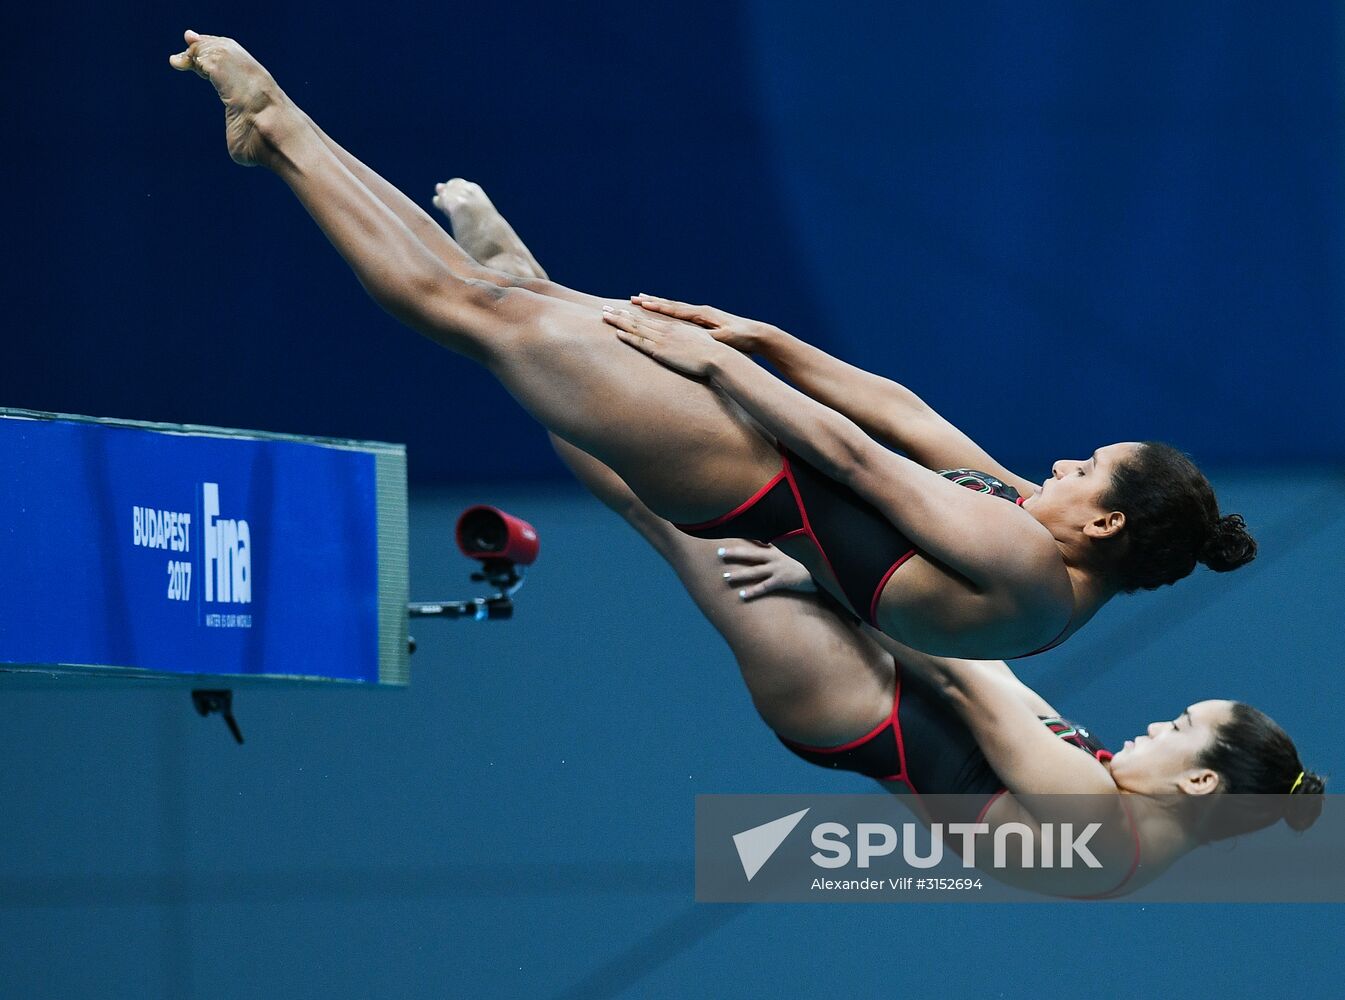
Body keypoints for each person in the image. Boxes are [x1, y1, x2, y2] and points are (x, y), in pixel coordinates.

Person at [169, 31, 1254, 662]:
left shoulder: (1029, 576)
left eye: (1082, 469)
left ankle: (282, 129)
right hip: (756, 459)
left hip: (742, 470)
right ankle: (279, 141)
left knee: (472, 314)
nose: (1058, 467)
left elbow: (859, 461)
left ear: (1103, 519)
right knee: (492, 302)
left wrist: (723, 366)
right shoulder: (1034, 533)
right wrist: (763, 335)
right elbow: (907, 416)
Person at [434, 177, 1323, 898]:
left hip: (857, 701)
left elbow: (966, 681)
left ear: (1198, 781)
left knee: (662, 506)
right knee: (663, 499)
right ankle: (520, 302)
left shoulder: (1100, 832)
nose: (1154, 724)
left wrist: (807, 567)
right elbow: (923, 441)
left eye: (1177, 725)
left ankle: (509, 303)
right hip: (894, 669)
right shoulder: (1128, 828)